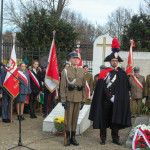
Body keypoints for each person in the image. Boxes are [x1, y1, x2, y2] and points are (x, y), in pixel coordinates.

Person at [89, 38, 131, 146]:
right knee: (104, 120)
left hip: (117, 101)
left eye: (116, 61)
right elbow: (101, 87)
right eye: (113, 61)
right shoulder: (104, 73)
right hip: (106, 101)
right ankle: (103, 138)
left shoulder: (122, 73)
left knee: (115, 120)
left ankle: (115, 138)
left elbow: (127, 87)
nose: (114, 62)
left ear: (118, 62)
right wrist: (109, 96)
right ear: (110, 61)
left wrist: (120, 97)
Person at [60, 51, 86, 146]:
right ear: (70, 60)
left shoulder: (82, 71)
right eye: (74, 58)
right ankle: (67, 136)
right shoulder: (66, 71)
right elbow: (62, 86)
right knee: (69, 118)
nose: (76, 60)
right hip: (69, 97)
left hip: (78, 98)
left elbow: (84, 87)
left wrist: (83, 100)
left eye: (77, 58)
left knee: (75, 118)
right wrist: (63, 100)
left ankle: (73, 137)